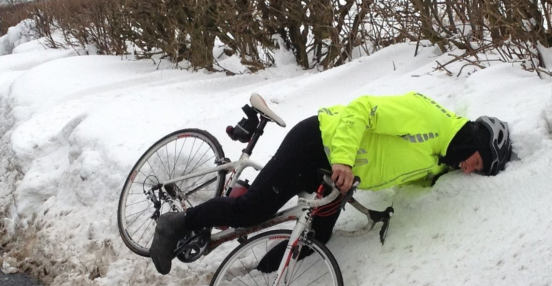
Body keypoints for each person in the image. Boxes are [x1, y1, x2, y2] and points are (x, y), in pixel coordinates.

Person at [149, 91, 512, 275]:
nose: (468, 170)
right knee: (251, 211)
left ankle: (257, 272)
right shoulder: (429, 118)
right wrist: (344, 159)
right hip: (317, 143)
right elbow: (361, 109)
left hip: (336, 178)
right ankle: (176, 224)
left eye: (476, 171)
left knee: (318, 236)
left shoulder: (441, 159)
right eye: (475, 162)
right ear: (474, 141)